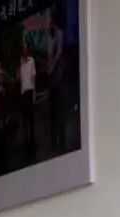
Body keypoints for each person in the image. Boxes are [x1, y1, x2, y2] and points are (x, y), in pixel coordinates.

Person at [44, 11, 65, 151]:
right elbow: (49, 55)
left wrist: (52, 67)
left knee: (59, 107)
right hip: (51, 76)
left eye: (50, 23)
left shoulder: (59, 34)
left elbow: (58, 54)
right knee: (52, 109)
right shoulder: (49, 38)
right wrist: (47, 67)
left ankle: (61, 140)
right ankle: (53, 141)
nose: (49, 26)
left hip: (58, 74)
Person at [19, 39, 36, 159]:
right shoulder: (21, 62)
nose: (24, 50)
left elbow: (34, 76)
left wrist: (34, 91)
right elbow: (20, 78)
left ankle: (32, 140)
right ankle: (26, 142)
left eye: (25, 48)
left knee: (31, 116)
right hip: (23, 91)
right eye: (23, 48)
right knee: (25, 116)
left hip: (30, 90)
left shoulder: (31, 61)